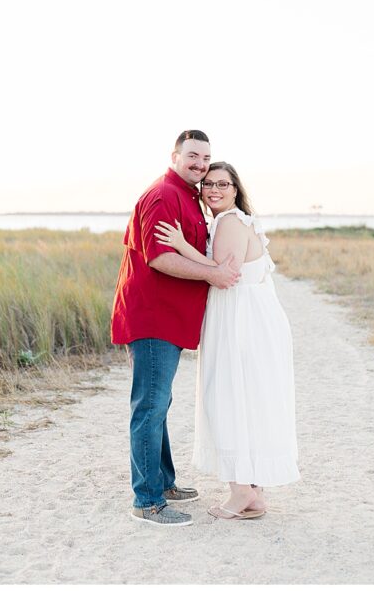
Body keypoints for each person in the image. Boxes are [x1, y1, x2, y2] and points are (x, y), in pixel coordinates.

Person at [153, 161, 300, 520]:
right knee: (245, 399)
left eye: (223, 183)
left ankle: (241, 492)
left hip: (241, 322)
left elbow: (222, 272)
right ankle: (253, 494)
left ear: (236, 189)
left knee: (230, 397)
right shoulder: (231, 221)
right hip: (244, 318)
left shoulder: (231, 221)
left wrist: (180, 245)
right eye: (208, 184)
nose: (214, 190)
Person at [111, 130, 241, 527]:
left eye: (206, 157)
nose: (200, 164)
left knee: (159, 403)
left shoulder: (186, 194)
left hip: (168, 318)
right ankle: (147, 501)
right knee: (149, 406)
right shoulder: (164, 194)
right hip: (153, 317)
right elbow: (160, 258)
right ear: (175, 156)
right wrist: (214, 275)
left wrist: (213, 271)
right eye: (193, 156)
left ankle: (163, 483)